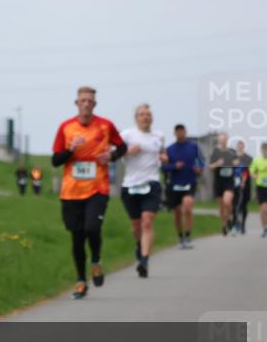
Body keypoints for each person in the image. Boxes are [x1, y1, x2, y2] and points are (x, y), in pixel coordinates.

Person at [51, 87, 127, 299]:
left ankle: (96, 260)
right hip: (71, 192)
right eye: (82, 100)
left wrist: (110, 156)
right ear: (76, 103)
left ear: (94, 104)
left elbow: (122, 147)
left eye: (90, 101)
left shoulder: (105, 125)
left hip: (97, 188)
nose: (86, 104)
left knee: (92, 228)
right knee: (77, 237)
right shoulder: (66, 128)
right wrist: (71, 150)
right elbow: (55, 160)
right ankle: (81, 281)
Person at [119, 104, 165, 278]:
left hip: (151, 183)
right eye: (141, 114)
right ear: (136, 118)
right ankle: (139, 244)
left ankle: (144, 261)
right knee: (136, 226)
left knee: (147, 221)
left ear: (151, 118)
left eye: (148, 114)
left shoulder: (158, 136)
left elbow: (161, 152)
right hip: (131, 184)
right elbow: (115, 153)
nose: (145, 117)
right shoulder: (127, 135)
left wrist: (163, 157)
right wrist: (128, 151)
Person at [162, 124, 205, 249]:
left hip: (190, 182)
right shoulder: (169, 149)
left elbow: (202, 162)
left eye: (182, 131)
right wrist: (174, 166)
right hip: (174, 184)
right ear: (175, 133)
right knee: (177, 213)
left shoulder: (194, 147)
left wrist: (199, 168)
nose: (180, 133)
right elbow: (163, 167)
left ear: (185, 132)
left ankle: (188, 236)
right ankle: (180, 238)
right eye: (178, 131)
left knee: (187, 206)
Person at [208, 133, 237, 236]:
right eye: (221, 139)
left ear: (227, 140)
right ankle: (224, 224)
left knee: (227, 201)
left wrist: (235, 164)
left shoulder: (232, 152)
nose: (223, 141)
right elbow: (210, 167)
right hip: (219, 182)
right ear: (219, 141)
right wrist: (217, 164)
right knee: (221, 206)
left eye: (224, 139)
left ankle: (229, 218)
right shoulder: (215, 152)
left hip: (229, 181)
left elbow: (237, 162)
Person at [232, 141, 253, 235]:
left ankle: (243, 225)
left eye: (241, 146)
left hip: (245, 185)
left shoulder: (248, 158)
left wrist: (243, 181)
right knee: (235, 205)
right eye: (238, 146)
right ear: (237, 147)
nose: (239, 148)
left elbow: (248, 171)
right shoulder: (233, 158)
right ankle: (237, 223)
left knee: (243, 205)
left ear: (243, 147)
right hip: (234, 184)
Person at [250, 142, 267, 238]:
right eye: (264, 150)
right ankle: (264, 228)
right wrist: (254, 175)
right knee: (263, 209)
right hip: (261, 187)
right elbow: (252, 171)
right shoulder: (257, 160)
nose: (266, 152)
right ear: (262, 151)